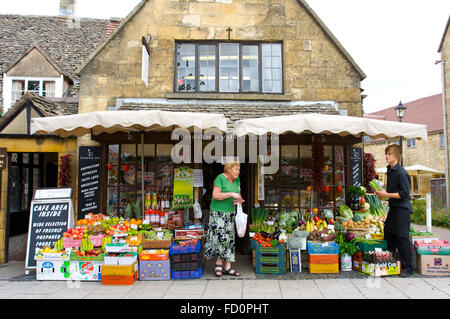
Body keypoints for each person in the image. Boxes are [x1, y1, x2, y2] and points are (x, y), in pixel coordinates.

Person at [375, 144, 414, 277]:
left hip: (402, 209)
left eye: (389, 154)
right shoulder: (389, 170)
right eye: (386, 154)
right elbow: (391, 191)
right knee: (389, 234)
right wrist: (382, 193)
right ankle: (391, 263)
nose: (387, 156)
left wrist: (385, 195)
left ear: (396, 156)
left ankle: (408, 268)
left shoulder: (402, 172)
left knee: (402, 238)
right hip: (394, 208)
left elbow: (404, 193)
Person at [204, 159, 244, 277]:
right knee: (220, 239)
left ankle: (227, 266)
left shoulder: (237, 180)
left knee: (229, 239)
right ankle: (218, 263)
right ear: (229, 169)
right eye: (236, 169)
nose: (238, 172)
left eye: (239, 170)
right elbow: (215, 195)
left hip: (230, 212)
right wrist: (231, 194)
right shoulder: (220, 178)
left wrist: (238, 200)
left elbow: (238, 193)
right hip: (218, 213)